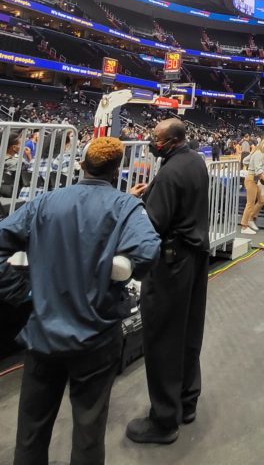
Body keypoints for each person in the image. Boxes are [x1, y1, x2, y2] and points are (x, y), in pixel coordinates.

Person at [0, 137, 160, 465]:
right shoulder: (126, 207)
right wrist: (116, 274)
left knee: (31, 430)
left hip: (44, 331)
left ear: (82, 165)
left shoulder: (44, 202)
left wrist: (23, 293)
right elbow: (147, 252)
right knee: (89, 431)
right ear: (116, 171)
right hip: (96, 336)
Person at [126, 118, 211, 445]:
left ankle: (164, 420)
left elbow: (153, 224)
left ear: (171, 142)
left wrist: (135, 203)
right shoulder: (196, 161)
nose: (152, 141)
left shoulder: (169, 173)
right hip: (196, 258)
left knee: (162, 338)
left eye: (156, 138)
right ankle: (187, 403)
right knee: (189, 332)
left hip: (172, 264)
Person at [240, 138, 264, 236]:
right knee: (250, 204)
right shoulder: (258, 154)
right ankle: (244, 226)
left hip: (254, 180)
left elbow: (245, 161)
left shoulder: (256, 153)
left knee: (262, 200)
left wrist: (251, 162)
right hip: (251, 180)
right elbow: (259, 171)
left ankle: (250, 218)